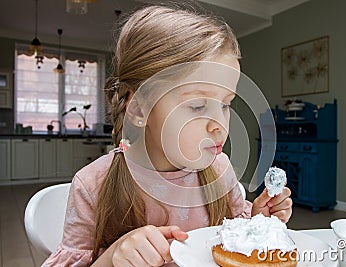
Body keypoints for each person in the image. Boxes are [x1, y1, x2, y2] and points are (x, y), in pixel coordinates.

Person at [42, 4, 292, 267]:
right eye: (197, 106)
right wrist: (112, 256)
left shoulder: (220, 169)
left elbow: (233, 243)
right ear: (139, 108)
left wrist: (258, 223)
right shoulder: (93, 184)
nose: (219, 123)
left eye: (226, 104)